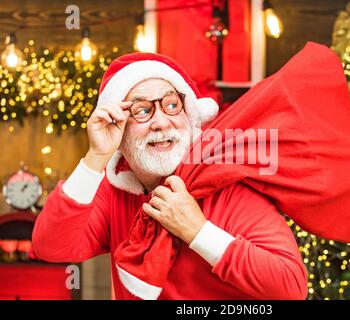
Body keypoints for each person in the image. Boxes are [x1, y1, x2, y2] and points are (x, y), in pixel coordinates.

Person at [32, 52, 309, 300]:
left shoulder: (226, 184)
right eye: (142, 111)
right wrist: (96, 157)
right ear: (120, 129)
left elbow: (291, 285)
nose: (161, 122)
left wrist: (197, 231)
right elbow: (51, 246)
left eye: (172, 105)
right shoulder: (115, 192)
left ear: (189, 118)